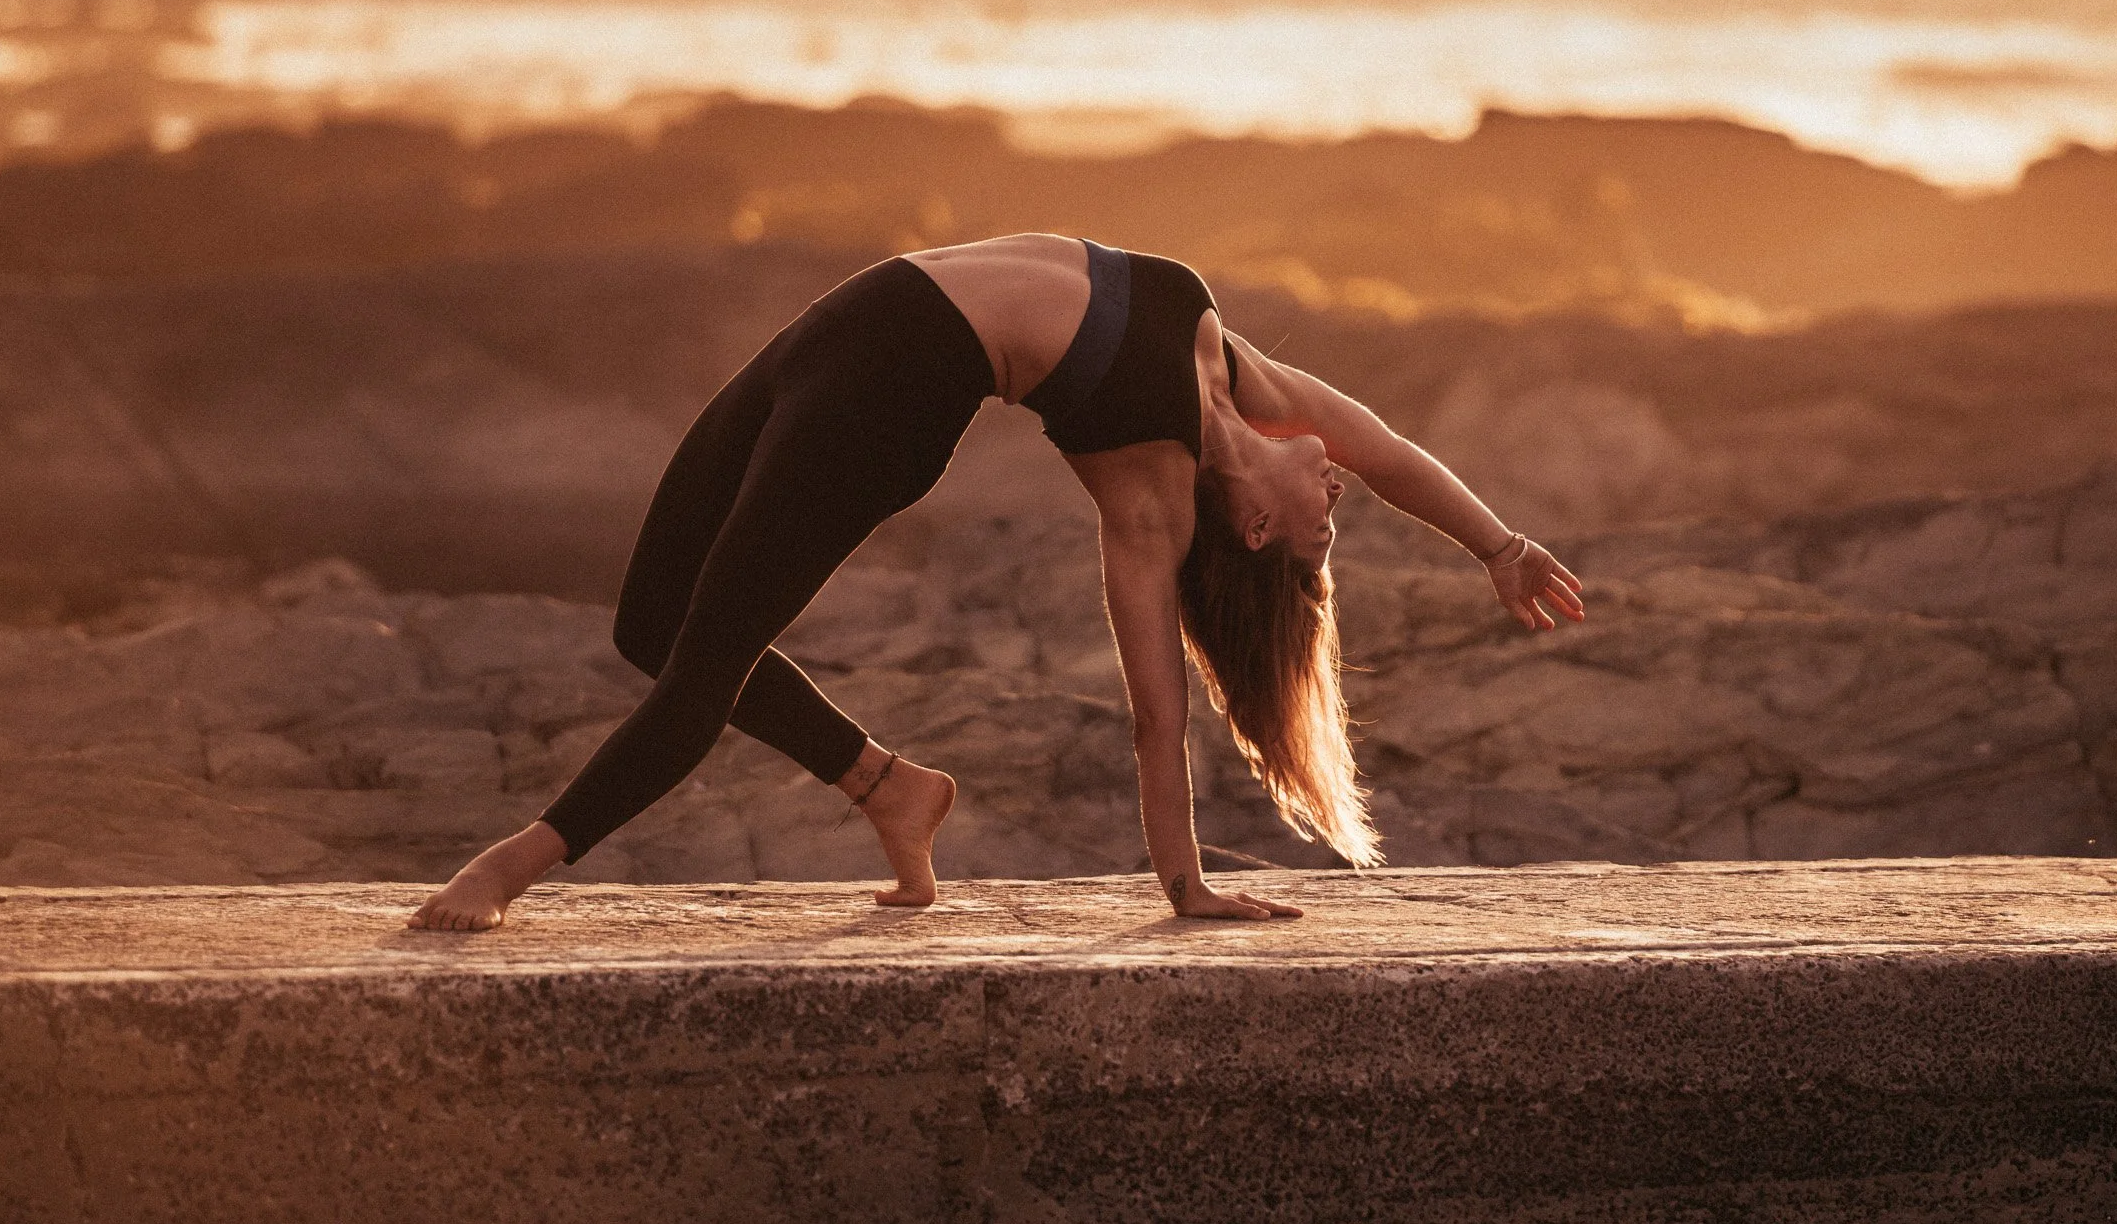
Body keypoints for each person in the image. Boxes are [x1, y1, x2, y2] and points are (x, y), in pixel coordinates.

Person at [408, 234, 1582, 930]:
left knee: (700, 659)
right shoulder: (1246, 379)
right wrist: (1496, 544)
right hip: (849, 317)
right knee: (648, 624)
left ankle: (511, 865)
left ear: (1259, 524)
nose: (1341, 498)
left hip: (892, 394)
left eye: (1327, 528)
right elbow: (1386, 445)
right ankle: (890, 787)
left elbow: (1155, 709)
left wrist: (1187, 886)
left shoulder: (1151, 495)